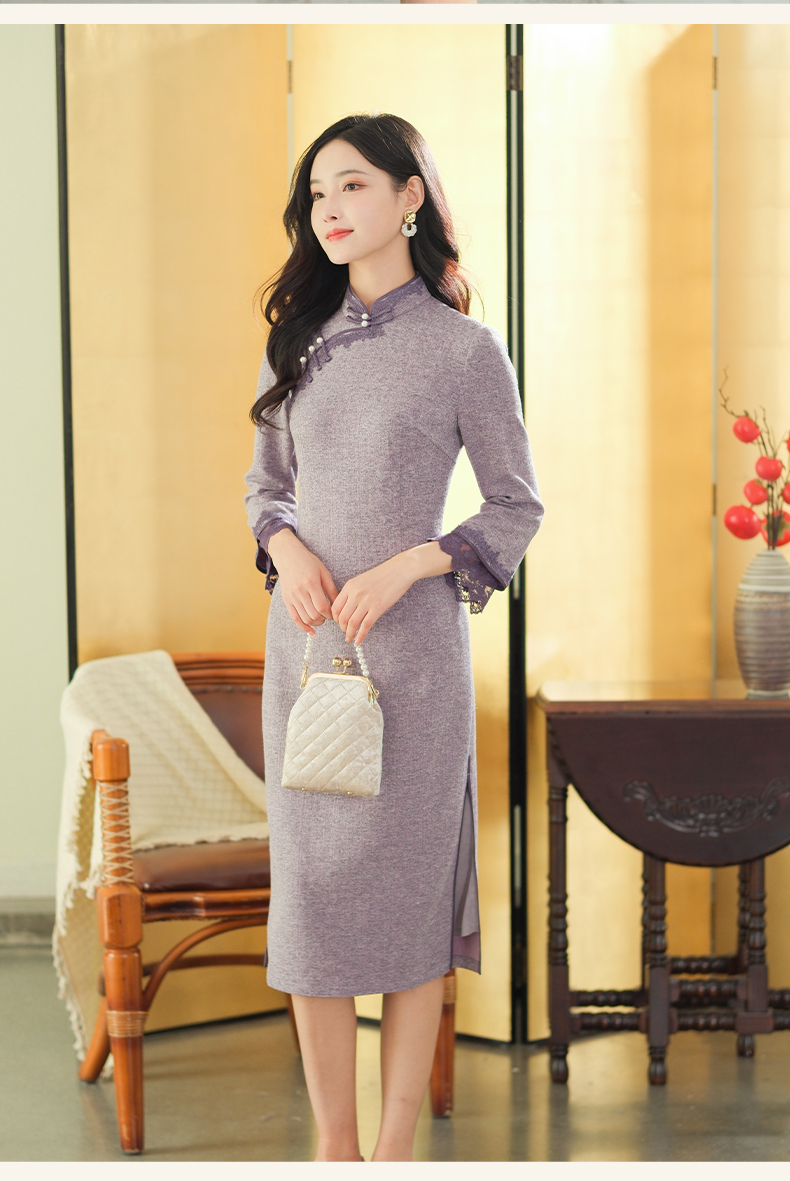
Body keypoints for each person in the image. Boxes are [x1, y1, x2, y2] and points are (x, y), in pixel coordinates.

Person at [244, 113, 543, 1162]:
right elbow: (264, 490)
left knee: (414, 908)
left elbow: (515, 505)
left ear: (409, 196)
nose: (328, 209)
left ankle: (395, 1149)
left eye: (353, 185)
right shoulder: (297, 342)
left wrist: (411, 562)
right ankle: (336, 1149)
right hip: (307, 653)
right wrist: (286, 549)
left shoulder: (464, 350)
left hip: (414, 663)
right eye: (317, 193)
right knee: (312, 906)